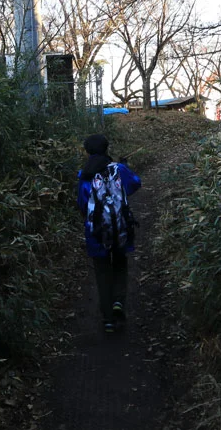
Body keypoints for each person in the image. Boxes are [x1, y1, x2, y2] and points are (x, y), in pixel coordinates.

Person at [77, 133, 141, 333]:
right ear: (106, 149)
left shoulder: (84, 175)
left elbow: (82, 204)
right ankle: (118, 303)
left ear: (88, 152)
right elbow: (135, 184)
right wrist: (125, 167)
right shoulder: (119, 169)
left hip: (96, 233)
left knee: (102, 273)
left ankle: (107, 319)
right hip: (121, 227)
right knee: (120, 264)